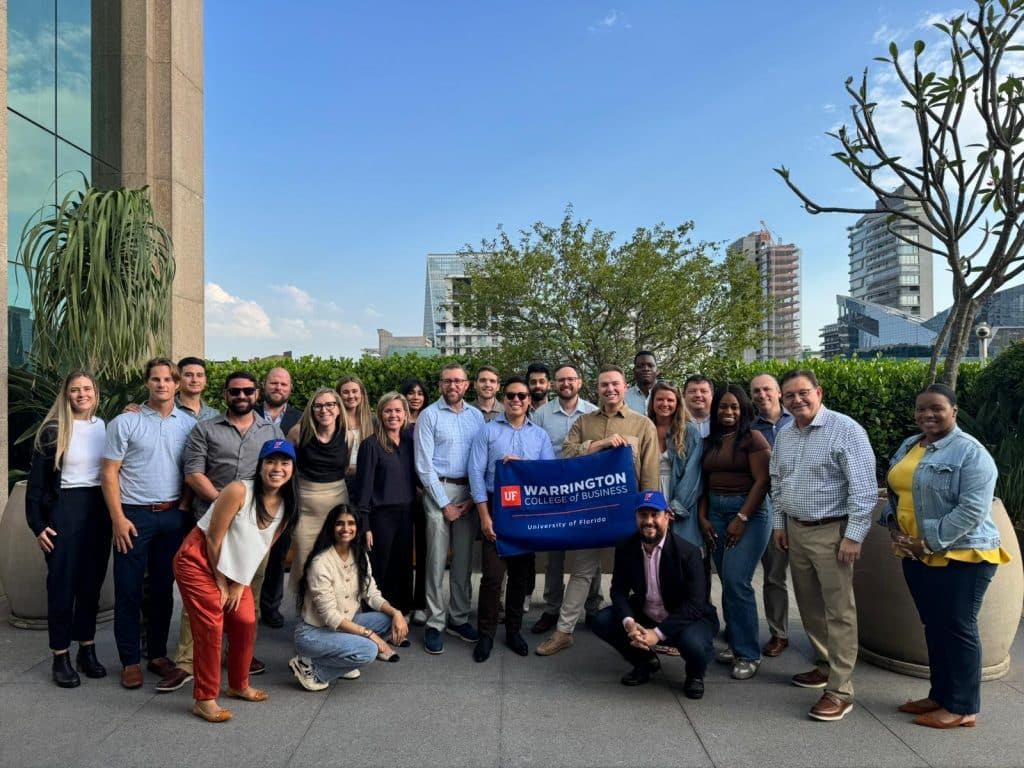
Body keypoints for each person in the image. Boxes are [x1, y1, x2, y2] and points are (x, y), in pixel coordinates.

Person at [883, 384, 1009, 729]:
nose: (928, 415)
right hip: (916, 554)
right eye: (921, 408)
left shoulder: (971, 453)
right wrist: (893, 526)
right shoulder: (911, 445)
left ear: (954, 410)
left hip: (963, 555)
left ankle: (963, 707)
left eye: (936, 408)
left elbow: (972, 509)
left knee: (958, 628)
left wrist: (929, 542)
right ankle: (940, 695)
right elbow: (897, 491)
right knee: (935, 626)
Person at [162, 371, 284, 692]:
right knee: (202, 600)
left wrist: (248, 514)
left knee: (248, 597)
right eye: (235, 392)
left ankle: (238, 656)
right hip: (212, 524)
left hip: (253, 533)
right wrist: (227, 505)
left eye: (247, 391)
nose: (241, 397)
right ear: (226, 394)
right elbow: (193, 473)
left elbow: (280, 471)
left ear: (256, 394)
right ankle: (186, 661)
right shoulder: (206, 429)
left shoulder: (271, 430)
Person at [771, 369, 876, 722]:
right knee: (811, 605)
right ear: (782, 401)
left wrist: (854, 535)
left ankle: (841, 689)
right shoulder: (785, 434)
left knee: (839, 611)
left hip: (832, 532)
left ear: (819, 392)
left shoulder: (846, 431)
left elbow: (863, 488)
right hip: (796, 530)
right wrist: (779, 524)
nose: (797, 400)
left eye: (803, 393)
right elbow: (777, 481)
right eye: (789, 396)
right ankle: (824, 664)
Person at [535, 365, 659, 657]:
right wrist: (600, 444)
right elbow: (567, 453)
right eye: (604, 385)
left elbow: (650, 476)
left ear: (625, 386)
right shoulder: (584, 422)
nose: (610, 390)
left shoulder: (643, 425)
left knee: (639, 574)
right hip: (591, 514)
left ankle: (648, 632)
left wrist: (650, 516)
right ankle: (564, 631)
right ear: (597, 388)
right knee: (581, 572)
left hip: (629, 514)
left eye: (615, 384)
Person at [172, 439, 298, 723]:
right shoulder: (239, 490)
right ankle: (204, 699)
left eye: (284, 463)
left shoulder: (288, 505)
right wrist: (220, 583)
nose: (277, 468)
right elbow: (213, 539)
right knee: (212, 622)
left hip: (234, 569)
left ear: (292, 468)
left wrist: (238, 584)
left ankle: (238, 684)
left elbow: (262, 549)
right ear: (261, 465)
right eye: (270, 462)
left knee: (245, 620)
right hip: (198, 560)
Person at [101, 357, 196, 690]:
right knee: (127, 590)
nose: (162, 385)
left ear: (177, 384)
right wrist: (117, 519)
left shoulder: (187, 424)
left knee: (161, 590)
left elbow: (193, 468)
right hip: (134, 516)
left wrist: (183, 507)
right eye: (155, 380)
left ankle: (156, 654)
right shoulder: (125, 423)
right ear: (147, 384)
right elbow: (109, 473)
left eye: (168, 380)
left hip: (172, 516)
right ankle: (129, 660)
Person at [26, 370, 111, 688]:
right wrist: (38, 526)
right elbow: (36, 486)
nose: (81, 394)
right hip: (64, 513)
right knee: (62, 587)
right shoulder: (52, 431)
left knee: (91, 586)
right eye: (75, 389)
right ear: (66, 394)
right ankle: (60, 655)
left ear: (95, 392)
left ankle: (85, 650)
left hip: (98, 512)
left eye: (87, 388)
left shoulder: (104, 426)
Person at [590, 491, 718, 699]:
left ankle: (695, 674)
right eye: (643, 515)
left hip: (687, 618)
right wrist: (630, 623)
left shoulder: (689, 553)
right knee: (602, 620)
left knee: (693, 643)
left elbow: (695, 604)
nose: (648, 521)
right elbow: (618, 590)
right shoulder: (625, 547)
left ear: (667, 516)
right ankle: (645, 661)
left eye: (654, 515)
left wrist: (656, 634)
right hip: (647, 613)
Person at [468, 376, 555, 662]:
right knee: (493, 576)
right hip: (496, 507)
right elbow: (476, 475)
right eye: (510, 396)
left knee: (520, 576)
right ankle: (486, 634)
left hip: (527, 511)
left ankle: (514, 631)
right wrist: (484, 516)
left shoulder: (539, 435)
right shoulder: (487, 432)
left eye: (521, 396)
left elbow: (548, 476)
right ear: (503, 399)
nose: (516, 400)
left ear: (529, 400)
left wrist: (523, 467)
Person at [697, 384, 772, 680]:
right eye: (723, 407)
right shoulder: (710, 440)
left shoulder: (752, 438)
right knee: (727, 580)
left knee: (737, 580)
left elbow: (763, 481)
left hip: (749, 513)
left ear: (743, 410)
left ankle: (749, 654)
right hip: (714, 512)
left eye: (734, 407)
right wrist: (703, 517)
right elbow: (704, 481)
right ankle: (736, 640)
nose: (728, 412)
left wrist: (742, 517)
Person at [291, 505, 409, 690]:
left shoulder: (360, 555)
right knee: (369, 650)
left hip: (344, 625)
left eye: (351, 523)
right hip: (314, 633)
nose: (346, 528)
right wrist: (371, 636)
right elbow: (331, 617)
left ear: (357, 527)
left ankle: (341, 660)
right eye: (340, 524)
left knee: (387, 619)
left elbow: (371, 595)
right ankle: (312, 669)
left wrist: (397, 613)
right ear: (331, 527)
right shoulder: (320, 563)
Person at [414, 363, 485, 654]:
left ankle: (458, 617)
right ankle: (435, 621)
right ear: (440, 385)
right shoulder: (429, 416)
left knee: (464, 562)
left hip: (468, 492)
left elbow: (481, 458)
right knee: (435, 561)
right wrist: (444, 505)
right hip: (438, 492)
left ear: (467, 385)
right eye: (447, 381)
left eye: (458, 381)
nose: (452, 386)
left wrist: (473, 497)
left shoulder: (477, 416)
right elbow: (423, 465)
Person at [530, 364, 602, 635]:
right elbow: (534, 449)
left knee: (590, 553)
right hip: (553, 492)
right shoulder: (541, 415)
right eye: (560, 380)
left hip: (585, 492)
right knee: (554, 556)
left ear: (580, 382)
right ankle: (551, 608)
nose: (566, 384)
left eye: (570, 379)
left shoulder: (593, 411)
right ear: (553, 385)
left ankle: (593, 608)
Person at [356, 393, 418, 614]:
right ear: (380, 415)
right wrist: (365, 525)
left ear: (405, 414)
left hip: (406, 514)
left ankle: (400, 614)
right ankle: (374, 617)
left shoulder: (411, 443)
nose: (393, 415)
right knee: (379, 568)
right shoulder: (370, 446)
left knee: (402, 568)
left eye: (398, 410)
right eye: (388, 411)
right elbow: (363, 489)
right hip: (380, 516)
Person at [286, 388, 351, 592]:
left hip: (338, 505)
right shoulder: (298, 432)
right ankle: (306, 614)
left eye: (330, 404)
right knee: (306, 559)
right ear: (312, 410)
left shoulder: (348, 436)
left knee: (336, 557)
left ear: (339, 409)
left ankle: (334, 610)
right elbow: (285, 466)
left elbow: (346, 467)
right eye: (319, 405)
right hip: (306, 508)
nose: (325, 410)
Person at [750, 373, 794, 658]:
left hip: (801, 509)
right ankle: (779, 634)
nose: (762, 394)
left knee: (808, 580)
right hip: (766, 510)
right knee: (774, 576)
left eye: (767, 389)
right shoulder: (750, 429)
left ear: (779, 392)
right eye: (756, 391)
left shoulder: (799, 421)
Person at [647, 380, 703, 549]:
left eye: (670, 400)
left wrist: (677, 506)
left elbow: (693, 473)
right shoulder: (644, 427)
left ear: (678, 403)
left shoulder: (689, 431)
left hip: (679, 495)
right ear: (652, 402)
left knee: (679, 551)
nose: (665, 404)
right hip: (650, 493)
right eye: (660, 399)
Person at [399, 378, 429, 625]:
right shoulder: (396, 420)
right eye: (411, 392)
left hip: (425, 493)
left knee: (425, 549)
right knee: (403, 551)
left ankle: (421, 603)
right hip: (400, 493)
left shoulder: (428, 420)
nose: (415, 397)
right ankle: (403, 603)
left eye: (420, 393)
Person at [337, 375, 374, 493]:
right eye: (346, 392)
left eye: (354, 391)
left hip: (367, 482)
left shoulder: (373, 421)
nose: (351, 396)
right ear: (338, 396)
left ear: (362, 394)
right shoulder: (333, 421)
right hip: (340, 482)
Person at [175, 356, 220, 422]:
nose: (195, 380)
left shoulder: (214, 414)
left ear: (205, 380)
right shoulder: (167, 410)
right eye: (188, 375)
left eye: (199, 375)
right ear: (178, 379)